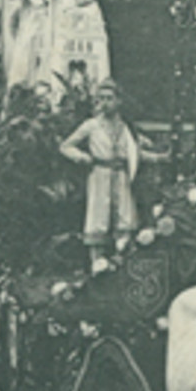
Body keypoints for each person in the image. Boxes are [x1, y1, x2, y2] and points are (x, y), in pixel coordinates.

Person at [59, 79, 140, 266]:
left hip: (121, 175)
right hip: (99, 174)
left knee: (125, 218)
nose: (105, 102)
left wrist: (159, 157)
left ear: (119, 101)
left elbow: (135, 151)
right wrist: (82, 157)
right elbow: (65, 146)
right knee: (98, 220)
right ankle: (97, 266)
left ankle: (122, 263)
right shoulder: (91, 125)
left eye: (109, 98)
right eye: (101, 98)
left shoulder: (126, 127)